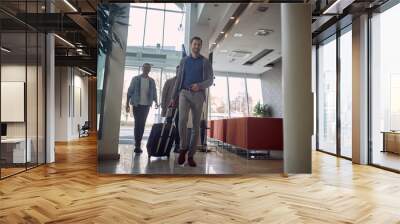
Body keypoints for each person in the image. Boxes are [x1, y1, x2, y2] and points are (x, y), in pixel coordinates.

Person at [170, 36, 214, 167]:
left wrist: (199, 86)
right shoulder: (184, 61)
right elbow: (178, 79)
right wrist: (173, 97)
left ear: (200, 46)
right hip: (184, 93)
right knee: (181, 120)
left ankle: (191, 155)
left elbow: (210, 80)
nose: (197, 46)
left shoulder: (205, 62)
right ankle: (183, 147)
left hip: (198, 95)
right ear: (191, 45)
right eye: (195, 44)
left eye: (199, 45)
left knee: (196, 125)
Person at [126, 63, 159, 153]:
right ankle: (137, 144)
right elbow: (129, 92)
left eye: (148, 68)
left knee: (142, 124)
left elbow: (154, 92)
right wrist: (127, 104)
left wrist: (156, 101)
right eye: (145, 68)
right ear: (142, 69)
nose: (146, 69)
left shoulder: (151, 81)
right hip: (137, 105)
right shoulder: (135, 79)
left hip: (146, 106)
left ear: (149, 70)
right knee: (138, 124)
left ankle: (138, 143)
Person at [161, 65, 180, 153]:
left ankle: (177, 145)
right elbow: (164, 95)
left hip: (180, 109)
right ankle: (165, 145)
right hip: (170, 108)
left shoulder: (184, 83)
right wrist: (164, 107)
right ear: (176, 71)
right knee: (168, 126)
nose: (178, 72)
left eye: (180, 71)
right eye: (177, 70)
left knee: (179, 127)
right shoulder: (169, 81)